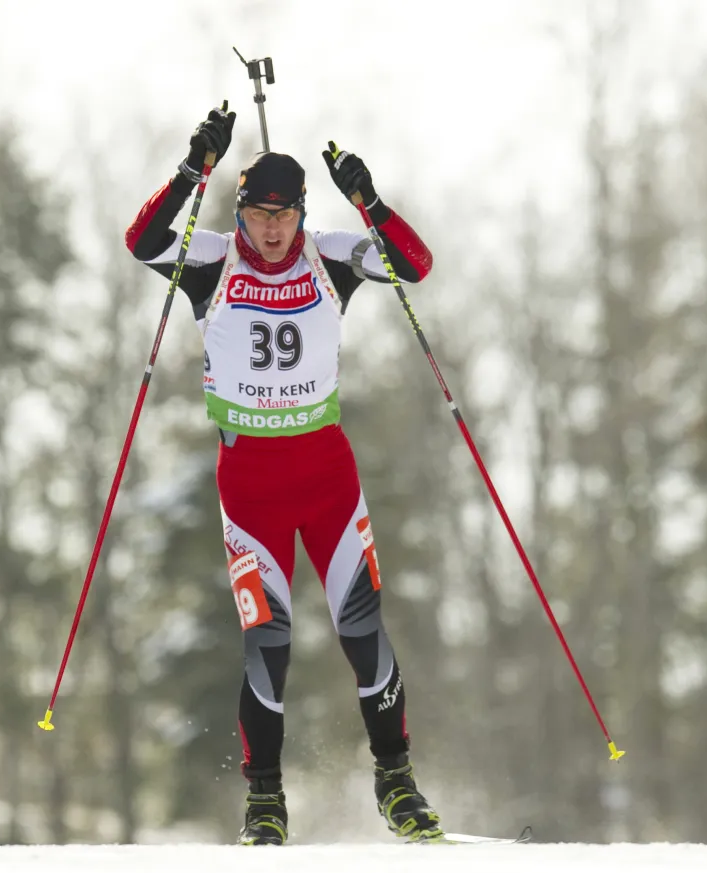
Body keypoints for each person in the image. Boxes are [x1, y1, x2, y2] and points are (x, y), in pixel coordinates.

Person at [124, 103, 441, 845]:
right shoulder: (211, 260)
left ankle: (395, 780)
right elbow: (141, 242)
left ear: (302, 212)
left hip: (326, 472)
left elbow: (415, 266)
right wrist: (190, 169)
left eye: (285, 214)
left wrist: (369, 199)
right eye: (259, 214)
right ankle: (263, 800)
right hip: (250, 483)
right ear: (241, 212)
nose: (271, 230)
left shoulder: (330, 254)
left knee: (360, 626)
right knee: (267, 638)